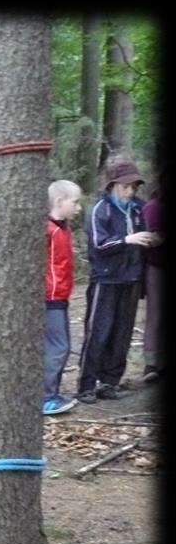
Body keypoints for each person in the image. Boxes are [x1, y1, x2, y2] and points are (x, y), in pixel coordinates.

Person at [76, 157, 154, 403]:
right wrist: (126, 240)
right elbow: (99, 244)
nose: (130, 191)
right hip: (106, 280)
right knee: (99, 332)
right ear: (112, 185)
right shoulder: (102, 209)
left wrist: (151, 240)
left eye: (134, 186)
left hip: (131, 279)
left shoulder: (139, 208)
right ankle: (87, 385)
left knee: (122, 334)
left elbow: (144, 237)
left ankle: (111, 382)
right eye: (125, 186)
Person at [42, 179, 83, 416]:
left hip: (61, 296)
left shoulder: (62, 228)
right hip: (50, 298)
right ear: (59, 201)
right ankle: (46, 397)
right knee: (59, 347)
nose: (78, 208)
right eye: (75, 202)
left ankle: (52, 392)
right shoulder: (48, 229)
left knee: (61, 346)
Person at [141, 180, 164, 382]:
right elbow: (150, 238)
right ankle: (151, 363)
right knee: (155, 314)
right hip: (157, 267)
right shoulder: (154, 206)